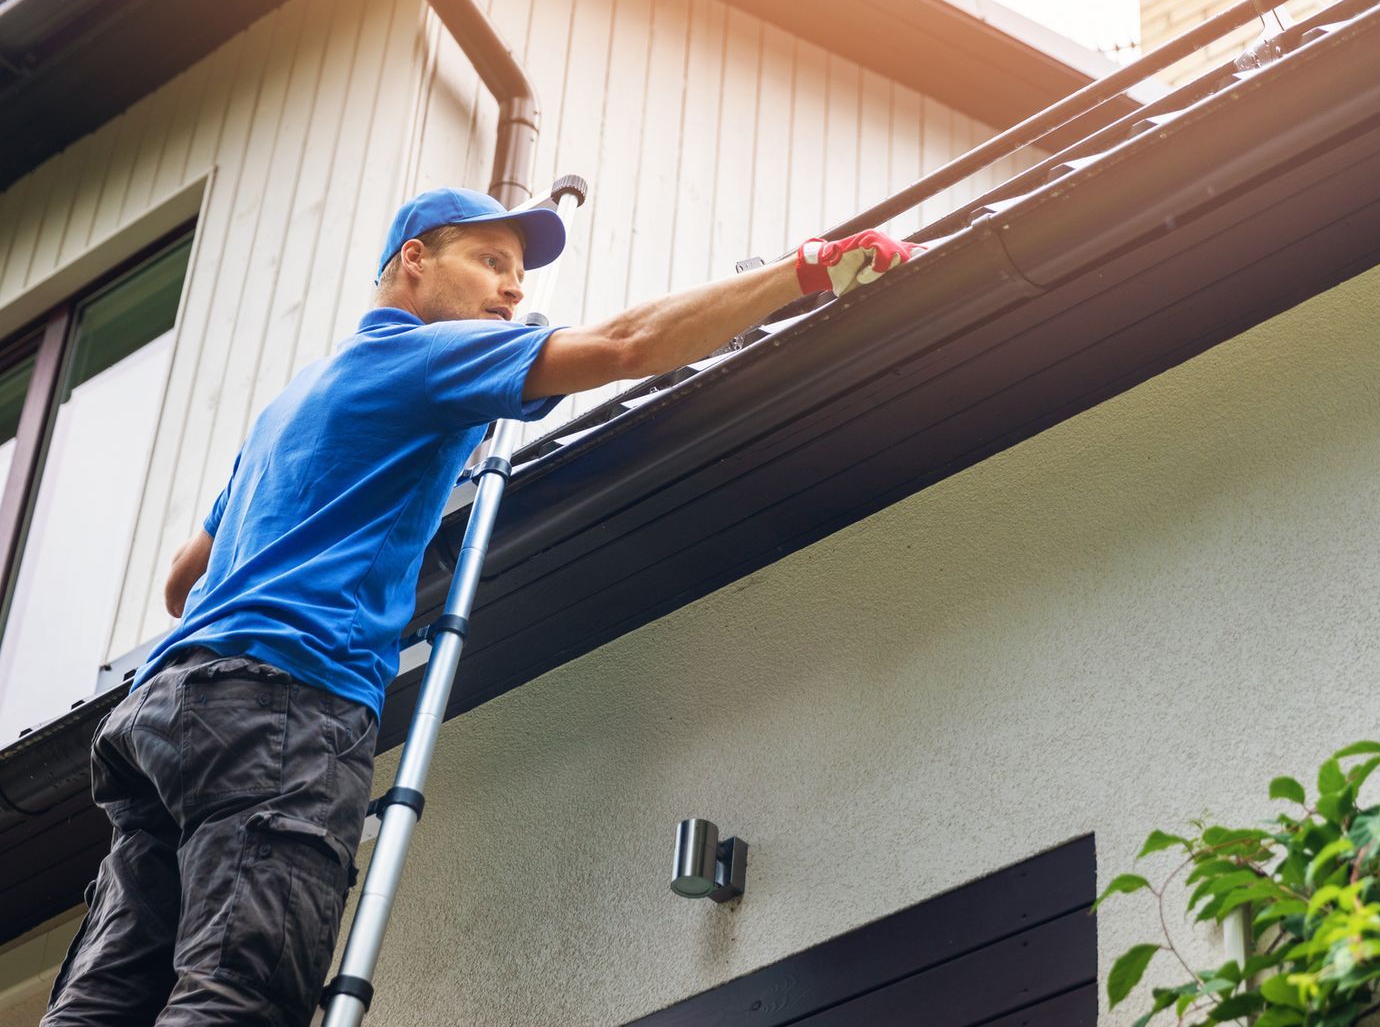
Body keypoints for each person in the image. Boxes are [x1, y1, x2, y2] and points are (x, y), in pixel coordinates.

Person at [41, 186, 919, 1027]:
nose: (512, 287)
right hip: (281, 708)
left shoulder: (289, 406)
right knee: (240, 988)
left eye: (521, 275)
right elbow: (624, 343)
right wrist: (808, 267)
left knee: (104, 1000)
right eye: (491, 260)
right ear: (412, 262)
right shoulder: (421, 357)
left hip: (162, 714)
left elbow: (181, 580)